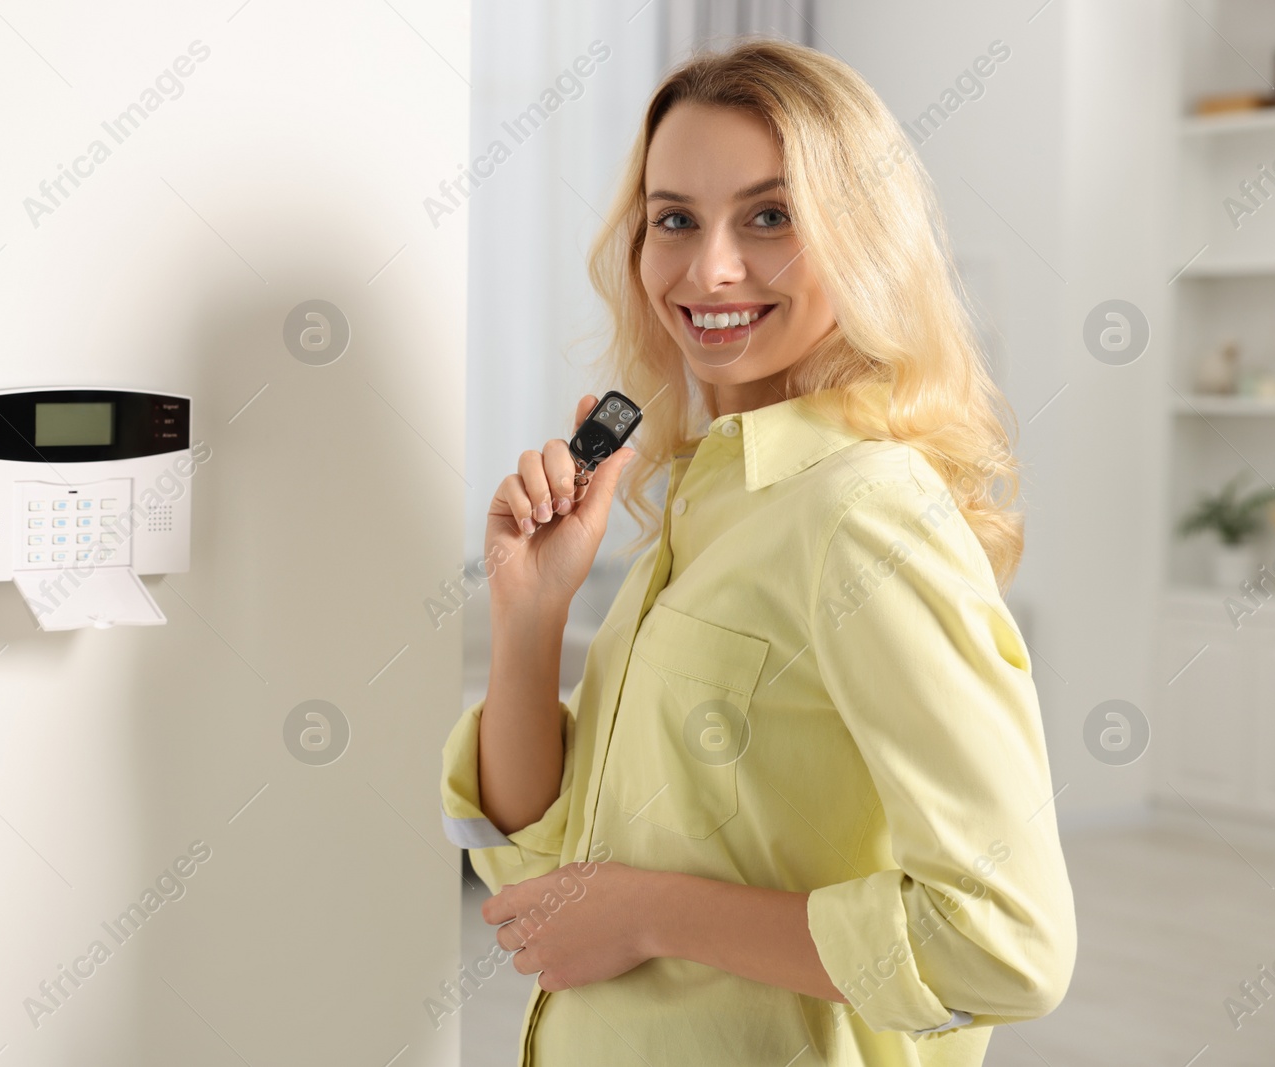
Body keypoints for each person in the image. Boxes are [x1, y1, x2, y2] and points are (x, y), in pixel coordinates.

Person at [439, 36, 1075, 1067]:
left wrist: (653, 913)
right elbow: (543, 880)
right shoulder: (704, 499)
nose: (710, 268)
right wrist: (530, 614)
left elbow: (1005, 940)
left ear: (863, 235)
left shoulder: (862, 513)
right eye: (673, 219)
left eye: (770, 216)